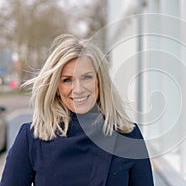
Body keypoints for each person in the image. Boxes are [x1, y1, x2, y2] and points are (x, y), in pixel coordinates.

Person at [0, 34, 154, 186]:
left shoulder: (128, 136)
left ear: (100, 81)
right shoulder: (32, 138)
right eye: (67, 80)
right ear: (56, 88)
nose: (78, 89)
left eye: (87, 77)